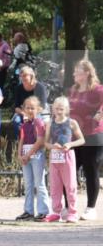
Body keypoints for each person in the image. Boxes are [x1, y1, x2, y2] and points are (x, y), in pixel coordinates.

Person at [68, 59, 103, 220]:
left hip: (93, 135)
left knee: (91, 170)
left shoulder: (97, 89)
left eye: (77, 71)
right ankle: (69, 207)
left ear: (87, 73)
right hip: (74, 136)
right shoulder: (72, 90)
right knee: (69, 171)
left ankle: (91, 208)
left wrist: (100, 113)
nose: (74, 73)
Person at [44, 96, 85, 223]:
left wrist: (70, 144)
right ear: (53, 109)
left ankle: (72, 212)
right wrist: (52, 146)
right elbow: (46, 143)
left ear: (66, 109)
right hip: (55, 157)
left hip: (68, 156)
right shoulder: (50, 123)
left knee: (70, 185)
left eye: (61, 109)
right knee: (55, 186)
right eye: (56, 108)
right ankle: (56, 212)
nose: (59, 111)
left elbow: (82, 140)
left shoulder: (72, 122)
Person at [15, 95, 49, 221]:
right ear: (23, 109)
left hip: (36, 155)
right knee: (28, 184)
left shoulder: (39, 122)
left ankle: (44, 211)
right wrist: (20, 155)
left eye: (32, 108)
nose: (30, 110)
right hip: (25, 155)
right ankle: (28, 211)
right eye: (27, 108)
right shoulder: (25, 124)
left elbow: (40, 140)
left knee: (39, 183)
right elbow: (22, 140)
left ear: (38, 109)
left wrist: (28, 155)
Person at [11, 65, 49, 136]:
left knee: (38, 121)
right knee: (16, 121)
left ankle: (37, 141)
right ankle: (21, 141)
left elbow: (42, 107)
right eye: (21, 76)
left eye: (25, 75)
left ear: (31, 76)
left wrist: (32, 116)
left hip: (38, 113)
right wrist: (25, 114)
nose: (22, 78)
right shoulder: (18, 89)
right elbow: (16, 107)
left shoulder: (40, 88)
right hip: (23, 113)